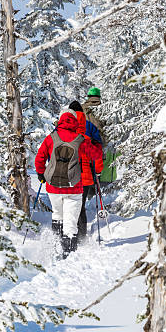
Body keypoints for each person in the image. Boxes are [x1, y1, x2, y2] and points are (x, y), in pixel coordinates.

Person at [35, 107, 102, 258]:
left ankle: (55, 246)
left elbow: (39, 158)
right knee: (71, 222)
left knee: (57, 215)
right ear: (75, 121)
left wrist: (41, 174)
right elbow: (97, 154)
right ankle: (68, 254)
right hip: (74, 188)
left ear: (60, 120)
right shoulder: (80, 139)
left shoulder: (51, 137)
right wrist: (96, 143)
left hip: (53, 186)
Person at [68, 101, 103, 242]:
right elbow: (98, 151)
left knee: (68, 206)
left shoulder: (63, 127)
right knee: (80, 207)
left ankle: (68, 236)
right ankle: (81, 238)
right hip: (86, 175)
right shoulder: (90, 127)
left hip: (67, 175)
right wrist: (98, 171)